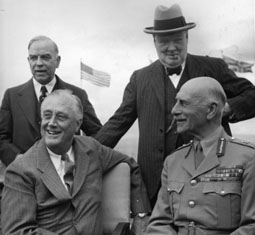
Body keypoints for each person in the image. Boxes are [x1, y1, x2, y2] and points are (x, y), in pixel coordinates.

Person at [99, 77, 255, 235]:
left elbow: (252, 229)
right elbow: (160, 222)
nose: (173, 110)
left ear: (211, 110)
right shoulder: (174, 161)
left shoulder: (247, 158)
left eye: (183, 103)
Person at [94, 4, 255, 208]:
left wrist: (224, 109)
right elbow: (117, 123)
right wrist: (83, 153)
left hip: (210, 183)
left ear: (187, 38)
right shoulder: (139, 78)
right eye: (164, 41)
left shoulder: (213, 67)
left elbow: (252, 95)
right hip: (154, 188)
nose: (172, 47)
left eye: (178, 39)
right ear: (154, 42)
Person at [1, 89, 151, 235]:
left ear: (78, 124)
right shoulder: (21, 170)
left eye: (61, 117)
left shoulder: (91, 149)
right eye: (47, 116)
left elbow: (129, 164)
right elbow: (17, 234)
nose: (51, 123)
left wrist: (141, 214)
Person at [0, 35, 102, 167]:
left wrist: (80, 159)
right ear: (28, 61)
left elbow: (97, 134)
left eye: (45, 57)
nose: (39, 63)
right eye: (33, 58)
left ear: (57, 61)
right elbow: (2, 137)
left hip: (66, 177)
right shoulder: (11, 95)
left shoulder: (78, 95)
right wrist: (18, 159)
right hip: (24, 177)